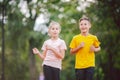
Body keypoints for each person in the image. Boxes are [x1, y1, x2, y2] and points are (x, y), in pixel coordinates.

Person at [69, 16, 101, 80]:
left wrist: (94, 49)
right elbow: (71, 51)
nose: (83, 26)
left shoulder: (93, 38)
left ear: (89, 26)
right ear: (79, 26)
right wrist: (79, 47)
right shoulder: (75, 38)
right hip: (79, 66)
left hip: (90, 64)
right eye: (81, 24)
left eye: (85, 24)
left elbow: (99, 48)